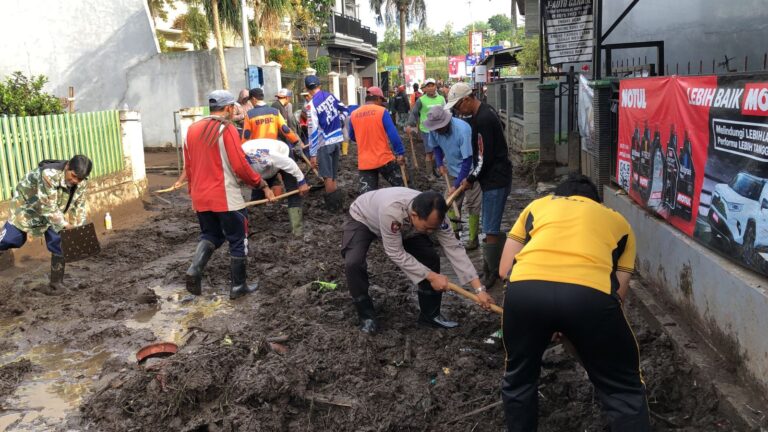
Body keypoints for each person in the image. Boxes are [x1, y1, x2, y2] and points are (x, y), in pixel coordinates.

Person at [498, 174, 650, 432]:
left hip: (525, 293)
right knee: (623, 386)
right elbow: (618, 297)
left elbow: (504, 270)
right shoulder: (618, 222)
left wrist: (548, 321)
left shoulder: (537, 206)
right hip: (589, 298)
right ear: (597, 203)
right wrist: (575, 326)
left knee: (519, 379)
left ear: (557, 195)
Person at [341, 188, 495, 333]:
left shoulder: (438, 217)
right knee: (353, 263)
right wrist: (432, 277)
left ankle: (430, 316)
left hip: (406, 226)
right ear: (414, 215)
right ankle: (367, 317)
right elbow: (395, 252)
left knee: (430, 258)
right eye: (428, 228)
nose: (430, 232)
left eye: (433, 229)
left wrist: (479, 289)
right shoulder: (392, 211)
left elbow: (454, 248)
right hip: (364, 218)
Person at [183, 89, 275, 300]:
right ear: (227, 108)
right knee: (237, 238)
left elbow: (188, 168)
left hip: (200, 197)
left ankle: (195, 269)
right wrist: (261, 184)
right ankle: (238, 286)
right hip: (225, 197)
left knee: (211, 235)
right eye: (233, 107)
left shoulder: (192, 130)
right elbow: (240, 165)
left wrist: (192, 195)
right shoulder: (226, 129)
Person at [447, 82, 513, 287]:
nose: (458, 111)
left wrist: (470, 179)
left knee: (490, 227)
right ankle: (497, 264)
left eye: (457, 106)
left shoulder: (483, 119)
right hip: (495, 175)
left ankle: (493, 271)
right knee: (490, 224)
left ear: (466, 99)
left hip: (495, 178)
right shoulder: (486, 111)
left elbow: (484, 158)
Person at [0, 155, 93, 294]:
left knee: (59, 241)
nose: (75, 181)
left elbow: (78, 206)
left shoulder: (81, 182)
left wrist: (77, 227)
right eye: (73, 176)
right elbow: (47, 208)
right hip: (28, 205)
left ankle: (56, 284)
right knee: (12, 239)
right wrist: (66, 225)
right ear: (67, 166)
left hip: (53, 207)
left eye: (79, 179)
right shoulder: (49, 174)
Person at [422, 106, 481, 250]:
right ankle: (454, 235)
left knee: (473, 203)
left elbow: (467, 159)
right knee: (450, 203)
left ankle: (473, 239)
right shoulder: (434, 129)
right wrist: (439, 163)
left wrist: (458, 183)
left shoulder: (462, 130)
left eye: (440, 128)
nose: (437, 130)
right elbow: (436, 147)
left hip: (471, 172)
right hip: (452, 168)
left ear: (446, 122)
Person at [241, 138, 310, 237]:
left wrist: (302, 181)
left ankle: (297, 230)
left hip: (282, 155)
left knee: (293, 190)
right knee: (257, 196)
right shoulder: (235, 163)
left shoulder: (258, 156)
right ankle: (257, 228)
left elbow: (289, 163)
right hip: (265, 168)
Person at [348, 86, 406, 194]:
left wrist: (364, 138)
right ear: (378, 99)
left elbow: (351, 136)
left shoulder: (354, 114)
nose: (382, 103)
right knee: (402, 188)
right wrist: (400, 152)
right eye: (382, 101)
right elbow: (393, 134)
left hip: (365, 162)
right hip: (384, 159)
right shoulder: (382, 111)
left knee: (367, 197)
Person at [305, 75, 348, 211]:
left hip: (324, 143)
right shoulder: (330, 96)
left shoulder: (311, 106)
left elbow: (312, 132)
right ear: (319, 85)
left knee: (327, 175)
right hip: (337, 140)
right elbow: (345, 110)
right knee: (333, 173)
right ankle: (337, 201)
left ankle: (333, 205)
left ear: (307, 89)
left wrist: (312, 154)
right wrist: (339, 122)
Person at [406, 78, 445, 176]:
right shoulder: (421, 100)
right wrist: (410, 124)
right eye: (428, 86)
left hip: (439, 129)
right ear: (425, 88)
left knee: (439, 151)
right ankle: (430, 173)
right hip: (427, 130)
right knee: (429, 152)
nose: (431, 88)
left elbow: (446, 111)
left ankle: (436, 170)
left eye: (432, 85)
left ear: (436, 87)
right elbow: (414, 112)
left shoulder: (441, 99)